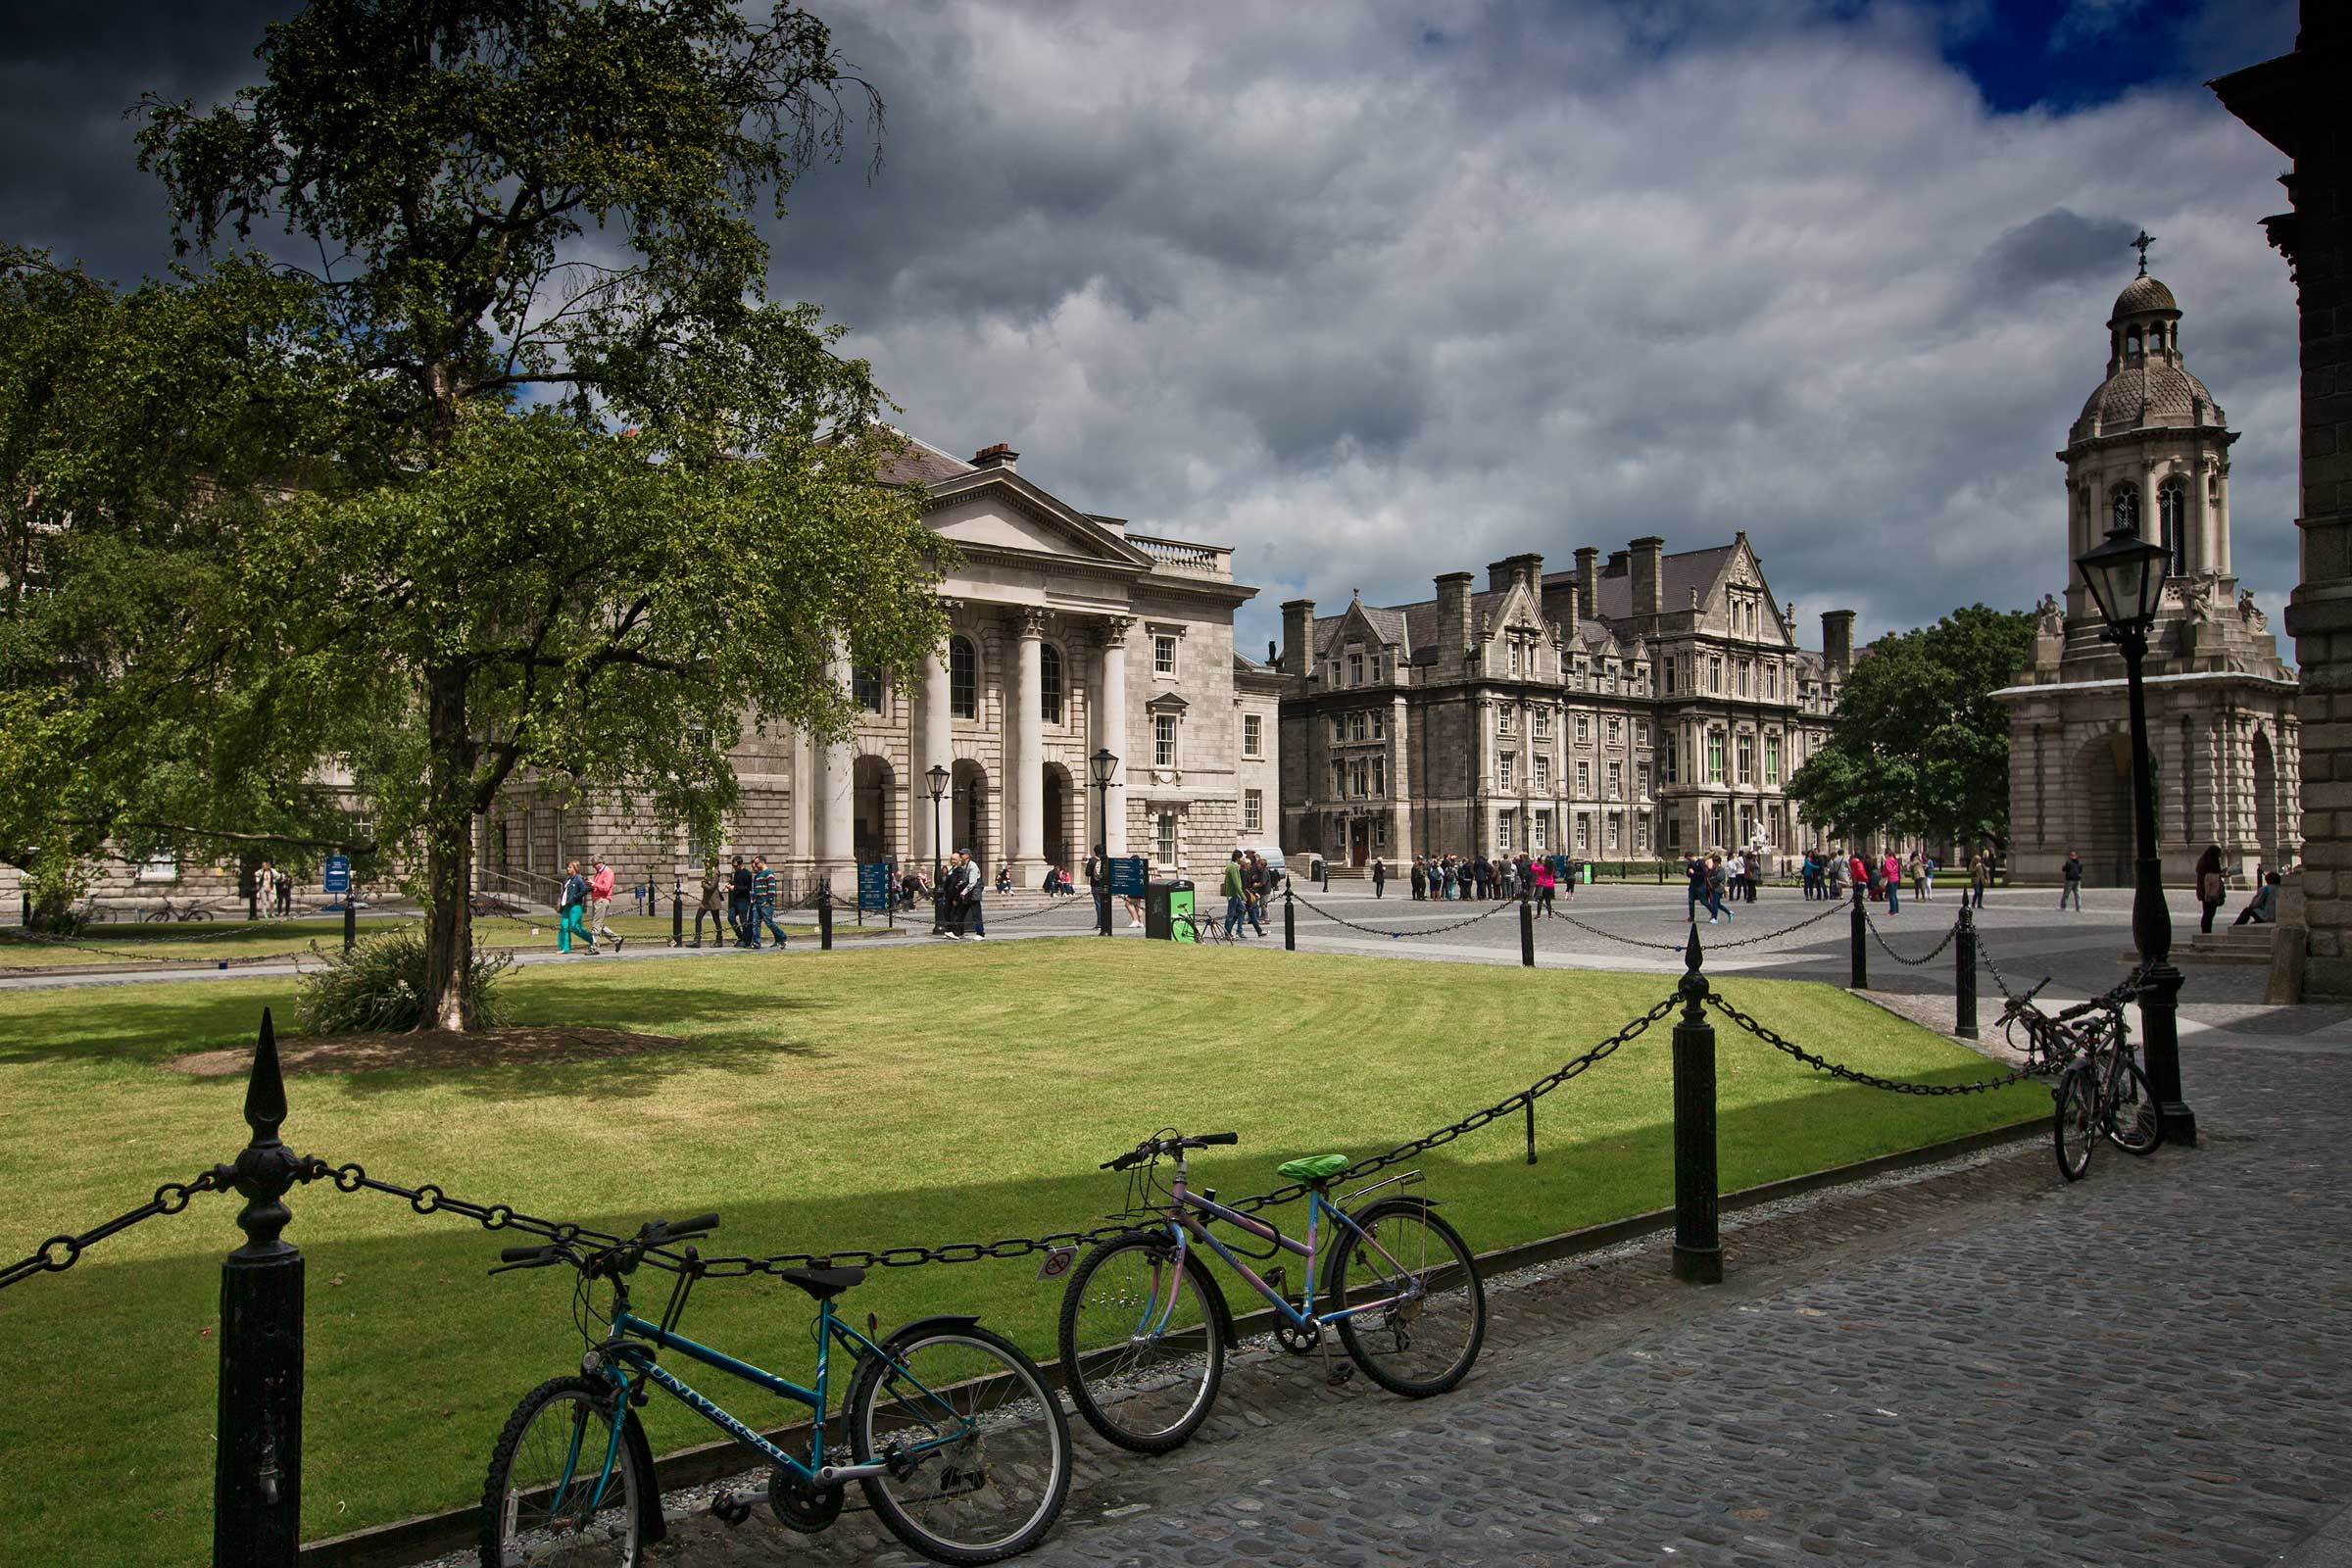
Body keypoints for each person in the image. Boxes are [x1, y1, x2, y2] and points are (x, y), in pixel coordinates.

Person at [747, 856, 788, 948]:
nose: (755, 866)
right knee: (755, 923)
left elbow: (771, 888)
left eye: (756, 863)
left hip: (765, 903)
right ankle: (756, 943)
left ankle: (782, 937)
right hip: (757, 902)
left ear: (762, 862)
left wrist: (769, 901)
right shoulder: (757, 875)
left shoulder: (769, 873)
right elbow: (755, 890)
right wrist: (753, 899)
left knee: (769, 922)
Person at [557, 859, 597, 954]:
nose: (568, 869)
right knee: (564, 926)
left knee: (575, 926)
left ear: (575, 868)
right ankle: (565, 947)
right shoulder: (567, 879)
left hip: (575, 906)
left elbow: (584, 890)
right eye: (568, 867)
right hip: (566, 906)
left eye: (570, 867)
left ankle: (592, 940)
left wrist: (574, 898)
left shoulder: (579, 879)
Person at [587, 858, 623, 952]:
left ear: (600, 862)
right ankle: (617, 939)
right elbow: (598, 886)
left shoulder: (608, 872)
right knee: (598, 924)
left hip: (602, 900)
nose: (594, 867)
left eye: (595, 864)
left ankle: (594, 948)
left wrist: (594, 884)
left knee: (596, 924)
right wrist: (591, 885)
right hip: (597, 899)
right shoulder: (598, 873)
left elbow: (606, 888)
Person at [694, 858, 726, 947]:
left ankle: (719, 940)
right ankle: (697, 939)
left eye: (707, 862)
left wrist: (703, 884)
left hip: (713, 900)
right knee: (698, 918)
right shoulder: (708, 872)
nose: (705, 864)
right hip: (706, 901)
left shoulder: (715, 872)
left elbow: (711, 887)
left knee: (716, 919)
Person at [2196, 844, 2228, 934]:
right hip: (2209, 891)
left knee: (2208, 913)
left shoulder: (2204, 861)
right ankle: (2206, 931)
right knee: (2208, 913)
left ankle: (2206, 931)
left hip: (2206, 890)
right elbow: (2210, 877)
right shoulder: (2208, 862)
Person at [728, 855, 754, 947]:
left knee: (743, 921)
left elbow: (747, 888)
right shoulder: (736, 873)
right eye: (733, 866)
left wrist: (734, 887)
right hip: (735, 900)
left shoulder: (746, 874)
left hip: (743, 900)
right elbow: (737, 884)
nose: (735, 868)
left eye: (736, 866)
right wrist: (731, 884)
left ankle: (746, 940)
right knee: (730, 917)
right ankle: (741, 936)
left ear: (741, 864)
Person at [1881, 850, 1901, 914]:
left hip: (1891, 879)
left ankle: (1892, 910)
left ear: (1887, 854)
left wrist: (1883, 874)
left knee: (1891, 895)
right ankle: (1896, 909)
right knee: (1894, 895)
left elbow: (1888, 870)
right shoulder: (1895, 861)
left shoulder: (1888, 861)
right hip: (1896, 878)